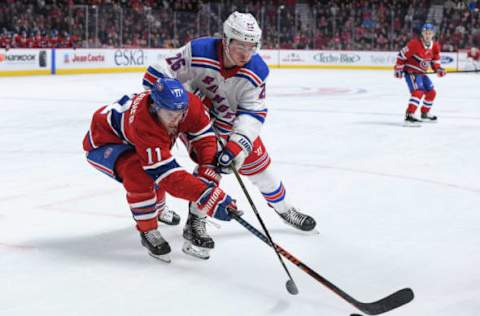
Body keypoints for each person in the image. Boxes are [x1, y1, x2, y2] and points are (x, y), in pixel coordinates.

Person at [142, 11, 317, 256]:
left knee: (262, 170)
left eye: (251, 46)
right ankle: (195, 222)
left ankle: (285, 209)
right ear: (225, 39)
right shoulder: (198, 51)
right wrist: (181, 100)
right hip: (193, 122)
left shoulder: (257, 70)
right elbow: (157, 74)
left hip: (230, 125)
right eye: (239, 45)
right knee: (210, 164)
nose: (245, 53)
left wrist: (237, 145)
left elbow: (253, 112)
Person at [82, 77, 239, 262]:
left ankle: (176, 214)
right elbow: (166, 175)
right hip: (105, 143)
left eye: (180, 113)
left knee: (210, 162)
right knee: (140, 173)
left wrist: (208, 172)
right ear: (155, 107)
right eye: (170, 114)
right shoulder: (143, 122)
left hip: (137, 138)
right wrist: (206, 196)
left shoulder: (189, 106)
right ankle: (148, 229)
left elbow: (205, 140)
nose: (176, 119)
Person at [394, 23, 446, 126]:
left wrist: (438, 68)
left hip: (421, 73)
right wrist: (398, 69)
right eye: (426, 33)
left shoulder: (435, 46)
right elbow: (401, 56)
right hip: (411, 72)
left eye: (430, 33)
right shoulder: (414, 44)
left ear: (433, 34)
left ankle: (425, 113)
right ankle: (409, 115)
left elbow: (435, 59)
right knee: (418, 91)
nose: (427, 35)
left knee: (431, 92)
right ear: (422, 33)